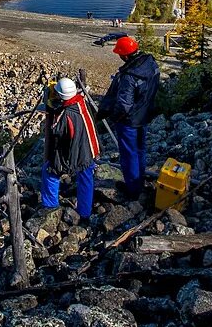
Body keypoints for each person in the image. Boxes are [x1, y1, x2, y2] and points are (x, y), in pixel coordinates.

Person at [99, 35, 160, 200]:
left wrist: (115, 117)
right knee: (140, 150)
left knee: (128, 154)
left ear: (125, 55)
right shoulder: (151, 64)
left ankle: (133, 189)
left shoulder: (129, 76)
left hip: (129, 121)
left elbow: (124, 105)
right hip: (144, 115)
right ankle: (138, 180)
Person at [40, 76, 100, 218]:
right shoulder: (81, 102)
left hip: (77, 152)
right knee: (86, 178)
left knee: (49, 172)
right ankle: (85, 213)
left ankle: (50, 207)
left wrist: (50, 105)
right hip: (90, 148)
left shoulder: (66, 114)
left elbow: (56, 132)